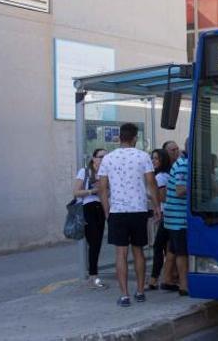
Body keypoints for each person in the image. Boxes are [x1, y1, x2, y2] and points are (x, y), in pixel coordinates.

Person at [98, 123, 161, 308]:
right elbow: (151, 183)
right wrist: (157, 206)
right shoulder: (142, 156)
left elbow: (102, 188)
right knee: (138, 251)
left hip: (117, 211)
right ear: (135, 138)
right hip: (139, 210)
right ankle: (140, 291)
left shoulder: (108, 158)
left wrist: (106, 210)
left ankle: (124, 295)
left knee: (120, 253)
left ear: (119, 138)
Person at [72, 148, 108, 290]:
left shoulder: (107, 173)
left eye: (106, 157)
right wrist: (92, 191)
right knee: (93, 243)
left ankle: (94, 275)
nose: (103, 159)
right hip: (88, 208)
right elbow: (75, 192)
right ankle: (93, 276)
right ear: (93, 158)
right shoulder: (85, 172)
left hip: (101, 207)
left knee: (97, 243)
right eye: (101, 157)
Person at [164, 139, 190, 296]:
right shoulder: (184, 165)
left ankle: (166, 279)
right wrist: (197, 186)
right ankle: (184, 285)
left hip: (173, 217)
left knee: (172, 250)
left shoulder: (181, 162)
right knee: (182, 252)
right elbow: (180, 190)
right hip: (179, 218)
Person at [147, 149, 174, 291]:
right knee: (168, 247)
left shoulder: (160, 177)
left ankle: (154, 280)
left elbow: (163, 197)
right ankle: (165, 278)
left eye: (156, 158)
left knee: (158, 247)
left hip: (164, 214)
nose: (154, 161)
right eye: (152, 158)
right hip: (168, 213)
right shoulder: (165, 175)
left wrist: (150, 196)